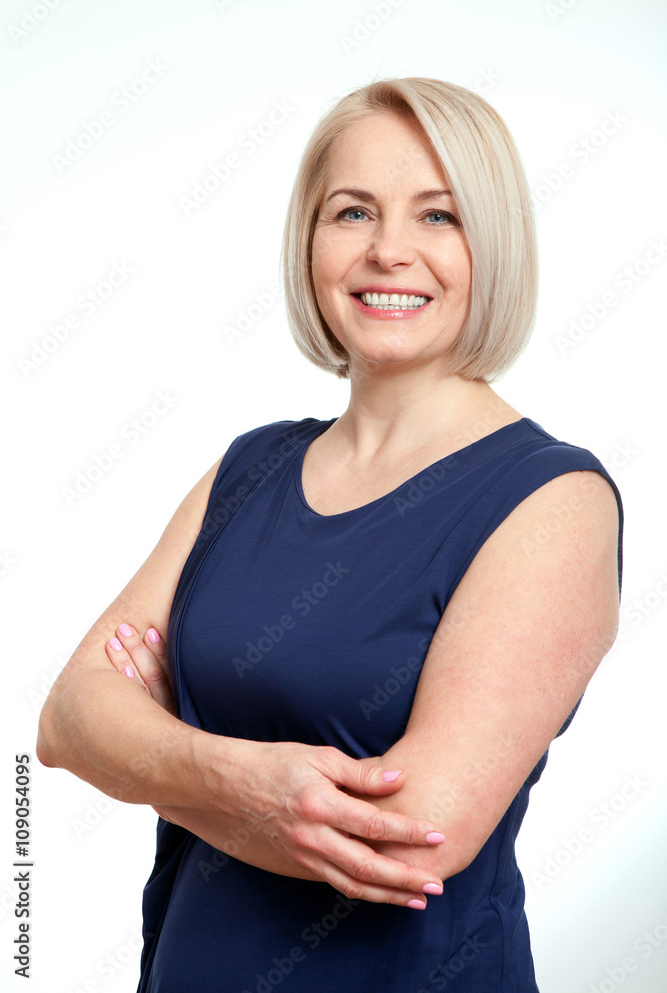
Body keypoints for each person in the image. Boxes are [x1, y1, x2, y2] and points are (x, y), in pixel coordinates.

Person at [37, 76, 623, 992]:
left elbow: (408, 838)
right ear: (309, 242)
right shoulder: (249, 470)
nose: (388, 250)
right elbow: (66, 721)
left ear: (494, 245)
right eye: (352, 212)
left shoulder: (551, 501)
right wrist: (233, 778)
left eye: (438, 216)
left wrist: (155, 754)